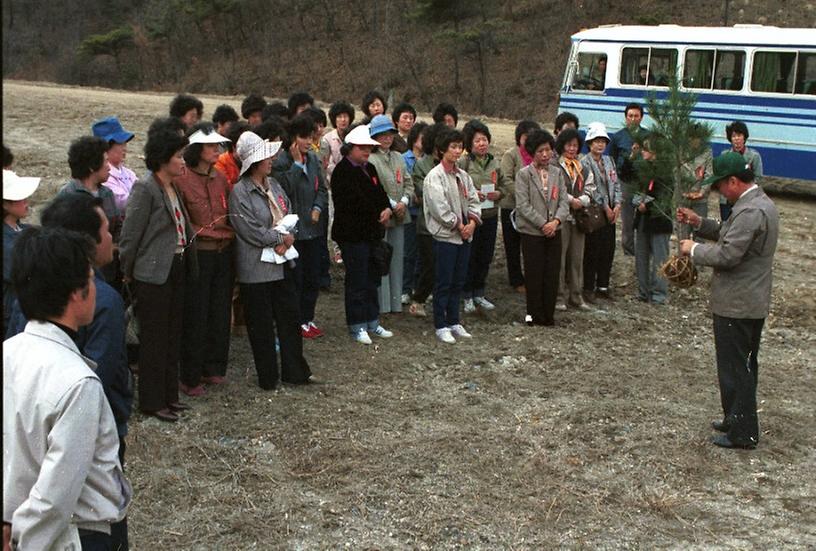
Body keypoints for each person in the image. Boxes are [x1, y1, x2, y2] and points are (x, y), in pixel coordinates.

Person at [6, 193, 133, 549]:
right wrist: (22, 540)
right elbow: (56, 495)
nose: (99, 289)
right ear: (77, 294)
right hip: (80, 531)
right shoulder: (79, 383)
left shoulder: (10, 351)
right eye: (91, 280)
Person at [677, 151, 779, 449]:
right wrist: (700, 222)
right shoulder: (755, 204)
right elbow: (727, 234)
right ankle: (734, 417)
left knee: (737, 368)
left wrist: (693, 249)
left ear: (733, 181)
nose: (719, 190)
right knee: (737, 365)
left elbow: (728, 254)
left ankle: (743, 432)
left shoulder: (750, 212)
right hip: (745, 301)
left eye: (720, 185)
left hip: (739, 302)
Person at [119, 125, 197, 422]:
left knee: (172, 335)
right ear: (163, 158)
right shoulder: (146, 188)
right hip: (151, 275)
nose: (183, 161)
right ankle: (152, 401)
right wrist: (128, 273)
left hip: (175, 267)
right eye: (178, 156)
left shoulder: (173, 187)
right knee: (154, 339)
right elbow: (130, 236)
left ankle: (169, 396)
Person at [229, 131, 313, 387]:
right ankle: (268, 377)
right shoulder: (240, 192)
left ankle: (294, 371)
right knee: (261, 325)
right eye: (266, 156)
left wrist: (287, 236)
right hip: (256, 267)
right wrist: (280, 239)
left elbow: (289, 212)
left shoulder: (274, 185)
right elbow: (249, 230)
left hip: (282, 263)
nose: (271, 160)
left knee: (289, 317)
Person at [175, 124, 234, 396]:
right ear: (197, 149)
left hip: (224, 251)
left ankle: (213, 367)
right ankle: (190, 374)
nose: (217, 150)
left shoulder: (220, 178)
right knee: (196, 315)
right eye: (211, 146)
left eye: (218, 146)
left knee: (219, 312)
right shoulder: (182, 178)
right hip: (200, 254)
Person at [331, 124, 395, 344]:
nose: (367, 152)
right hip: (352, 235)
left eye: (369, 148)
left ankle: (372, 320)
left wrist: (387, 208)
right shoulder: (342, 172)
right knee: (357, 281)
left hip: (371, 234)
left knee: (371, 279)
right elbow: (351, 204)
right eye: (362, 148)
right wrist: (378, 212)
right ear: (350, 148)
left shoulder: (370, 169)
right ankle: (357, 325)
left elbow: (380, 194)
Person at [273, 113, 329, 338]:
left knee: (313, 278)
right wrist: (296, 165)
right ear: (293, 138)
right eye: (303, 137)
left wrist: (317, 207)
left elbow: (322, 189)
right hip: (294, 233)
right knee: (297, 279)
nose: (307, 142)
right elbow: (284, 189)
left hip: (313, 229)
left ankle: (307, 318)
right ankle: (295, 321)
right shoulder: (281, 162)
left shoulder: (314, 159)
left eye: (310, 137)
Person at [424, 129, 482, 344]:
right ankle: (441, 324)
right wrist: (459, 225)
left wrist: (473, 223)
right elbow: (440, 209)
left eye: (460, 147)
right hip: (446, 237)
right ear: (442, 150)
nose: (458, 151)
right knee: (444, 282)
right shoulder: (434, 177)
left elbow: (475, 201)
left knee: (459, 280)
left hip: (465, 236)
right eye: (453, 147)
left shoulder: (463, 176)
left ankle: (454, 320)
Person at [514, 129, 569, 326]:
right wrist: (543, 224)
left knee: (552, 274)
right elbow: (523, 205)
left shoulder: (557, 172)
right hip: (532, 233)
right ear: (532, 153)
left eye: (548, 150)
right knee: (534, 274)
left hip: (555, 230)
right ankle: (532, 315)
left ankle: (548, 315)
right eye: (540, 151)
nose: (545, 155)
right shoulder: (524, 175)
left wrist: (556, 222)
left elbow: (564, 201)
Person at [368, 115, 413, 314]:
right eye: (382, 135)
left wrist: (404, 201)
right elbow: (374, 188)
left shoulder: (398, 157)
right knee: (382, 259)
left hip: (400, 215)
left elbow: (408, 182)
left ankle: (395, 303)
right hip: (382, 216)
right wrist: (391, 203)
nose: (386, 139)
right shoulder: (370, 159)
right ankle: (383, 305)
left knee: (397, 259)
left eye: (389, 135)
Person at [459, 119, 502, 314]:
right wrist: (473, 192)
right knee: (471, 256)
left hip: (491, 215)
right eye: (477, 141)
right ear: (470, 144)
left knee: (485, 255)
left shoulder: (494, 162)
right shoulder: (464, 162)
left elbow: (502, 187)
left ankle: (479, 293)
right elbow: (458, 187)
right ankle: (466, 295)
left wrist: (498, 194)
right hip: (471, 217)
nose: (482, 144)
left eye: (484, 139)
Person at [624, 134, 672, 304]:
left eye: (646, 148)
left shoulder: (666, 171)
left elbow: (665, 196)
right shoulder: (643, 168)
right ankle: (643, 291)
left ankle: (659, 293)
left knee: (660, 258)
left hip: (659, 220)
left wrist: (648, 205)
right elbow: (630, 182)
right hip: (642, 219)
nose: (643, 151)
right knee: (641, 257)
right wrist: (639, 203)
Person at [407, 123, 447, 317]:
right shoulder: (422, 164)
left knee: (443, 266)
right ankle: (419, 299)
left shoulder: (451, 165)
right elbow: (424, 191)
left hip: (449, 224)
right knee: (428, 265)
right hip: (427, 224)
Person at [554, 128, 595, 311]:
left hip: (579, 219)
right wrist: (571, 200)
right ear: (562, 146)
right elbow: (558, 190)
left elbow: (590, 188)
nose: (572, 149)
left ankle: (576, 296)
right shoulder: (556, 167)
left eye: (575, 145)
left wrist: (582, 200)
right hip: (561, 219)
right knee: (560, 259)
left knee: (577, 259)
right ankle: (559, 296)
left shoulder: (583, 168)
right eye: (569, 145)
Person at [581, 122, 621, 301]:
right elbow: (593, 189)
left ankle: (603, 286)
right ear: (590, 143)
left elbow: (616, 183)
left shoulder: (609, 160)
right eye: (596, 141)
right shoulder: (585, 162)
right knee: (592, 250)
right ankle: (588, 287)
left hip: (611, 211)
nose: (600, 145)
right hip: (595, 212)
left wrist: (618, 204)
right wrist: (606, 207)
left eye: (603, 141)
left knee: (608, 249)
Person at [500, 119, 541, 293]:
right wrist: (522, 196)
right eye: (525, 136)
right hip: (512, 206)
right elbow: (506, 178)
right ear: (519, 137)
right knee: (512, 245)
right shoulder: (512, 154)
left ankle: (532, 277)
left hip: (533, 209)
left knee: (531, 244)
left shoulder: (538, 155)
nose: (528, 140)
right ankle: (516, 279)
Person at [3, 169, 40, 333]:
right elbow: (21, 273)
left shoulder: (22, 230)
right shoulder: (7, 241)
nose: (26, 202)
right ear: (5, 204)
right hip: (12, 311)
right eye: (20, 199)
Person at [609, 103, 647, 256]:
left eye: (636, 116)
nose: (633, 119)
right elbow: (612, 161)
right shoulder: (618, 137)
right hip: (625, 182)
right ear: (625, 117)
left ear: (641, 117)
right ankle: (629, 249)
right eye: (630, 116)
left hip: (643, 183)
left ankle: (643, 249)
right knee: (627, 219)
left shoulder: (648, 136)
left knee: (643, 215)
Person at [401, 121, 428, 304]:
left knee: (423, 254)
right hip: (411, 212)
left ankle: (420, 288)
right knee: (408, 252)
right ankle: (405, 288)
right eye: (422, 137)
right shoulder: (404, 159)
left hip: (426, 213)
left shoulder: (429, 160)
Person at [93, 116, 137, 214]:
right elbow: (123, 202)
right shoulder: (104, 176)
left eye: (125, 143)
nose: (125, 148)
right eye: (120, 143)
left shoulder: (129, 173)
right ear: (107, 147)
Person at [721, 120, 763, 221]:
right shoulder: (724, 155)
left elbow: (758, 178)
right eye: (733, 136)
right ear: (730, 139)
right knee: (726, 228)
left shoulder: (754, 156)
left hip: (746, 200)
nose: (737, 139)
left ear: (744, 137)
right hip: (727, 201)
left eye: (739, 135)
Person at [678, 127, 713, 241]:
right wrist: (682, 191)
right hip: (683, 197)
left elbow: (709, 175)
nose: (694, 141)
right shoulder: (681, 151)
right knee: (683, 234)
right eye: (691, 138)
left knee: (700, 234)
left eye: (697, 138)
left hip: (700, 198)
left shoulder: (707, 152)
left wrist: (702, 192)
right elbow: (676, 172)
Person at [320, 101, 356, 181]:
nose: (343, 120)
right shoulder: (327, 138)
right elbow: (327, 162)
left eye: (345, 116)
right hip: (334, 179)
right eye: (339, 117)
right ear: (334, 119)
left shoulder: (355, 135)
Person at [215, 120, 251, 191]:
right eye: (245, 147)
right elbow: (226, 189)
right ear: (233, 147)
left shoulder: (255, 161)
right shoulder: (220, 162)